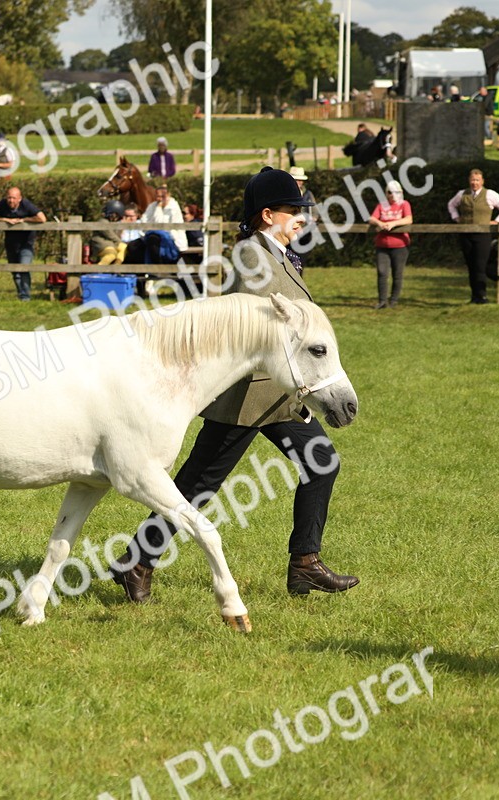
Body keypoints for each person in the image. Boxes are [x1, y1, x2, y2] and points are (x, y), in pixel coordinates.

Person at [109, 166, 357, 602]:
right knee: (197, 486)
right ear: (266, 215)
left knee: (322, 463)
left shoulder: (281, 254)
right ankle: (137, 561)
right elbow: (257, 317)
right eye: (292, 210)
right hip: (245, 396)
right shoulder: (250, 255)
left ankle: (304, 564)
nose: (302, 218)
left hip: (279, 393)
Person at [447, 169, 499, 304]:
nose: (474, 183)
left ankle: (482, 296)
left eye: (477, 180)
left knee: (480, 266)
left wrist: (497, 221)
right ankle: (474, 296)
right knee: (471, 266)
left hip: (482, 235)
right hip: (466, 234)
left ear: (482, 181)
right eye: (472, 180)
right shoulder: (462, 194)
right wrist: (456, 217)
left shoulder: (490, 194)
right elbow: (451, 205)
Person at [0, 186, 45, 301]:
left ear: (20, 199)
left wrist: (24, 220)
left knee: (24, 269)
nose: (11, 201)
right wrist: (4, 220)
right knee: (15, 272)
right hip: (11, 243)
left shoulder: (26, 205)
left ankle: (25, 297)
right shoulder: (2, 204)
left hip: (26, 243)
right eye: (9, 198)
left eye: (14, 198)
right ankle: (21, 294)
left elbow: (42, 218)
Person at [368, 180, 413, 308]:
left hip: (400, 246)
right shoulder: (382, 205)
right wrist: (380, 223)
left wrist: (393, 223)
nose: (392, 195)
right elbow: (372, 218)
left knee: (397, 274)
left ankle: (394, 301)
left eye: (395, 192)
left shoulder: (404, 204)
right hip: (382, 245)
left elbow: (409, 219)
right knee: (382, 273)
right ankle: (382, 301)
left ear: (401, 193)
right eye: (389, 192)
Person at [140, 182, 187, 256]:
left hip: (172, 237)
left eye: (162, 196)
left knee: (154, 241)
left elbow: (159, 224)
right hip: (151, 234)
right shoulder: (152, 206)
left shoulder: (173, 207)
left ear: (168, 195)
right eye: (158, 196)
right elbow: (144, 220)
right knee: (134, 246)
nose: (160, 199)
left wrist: (158, 208)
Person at [91, 199, 127, 266]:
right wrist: (120, 242)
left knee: (124, 247)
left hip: (111, 245)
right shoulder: (102, 222)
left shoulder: (113, 223)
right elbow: (111, 235)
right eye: (117, 216)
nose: (117, 218)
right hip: (101, 246)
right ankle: (98, 269)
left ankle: (117, 265)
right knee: (111, 254)